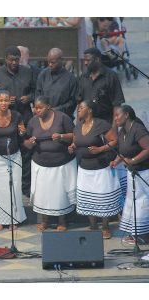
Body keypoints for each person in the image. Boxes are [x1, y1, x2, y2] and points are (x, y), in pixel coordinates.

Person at [69, 100, 122, 239]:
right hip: (84, 168)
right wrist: (72, 147)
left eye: (81, 108)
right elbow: (76, 141)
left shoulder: (101, 124)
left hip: (100, 168)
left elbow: (114, 140)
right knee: (88, 198)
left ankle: (105, 226)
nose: (78, 110)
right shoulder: (78, 125)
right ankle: (93, 225)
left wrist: (100, 149)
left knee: (101, 198)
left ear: (90, 110)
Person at [24, 96, 76, 231]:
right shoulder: (33, 121)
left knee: (60, 194)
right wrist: (31, 142)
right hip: (40, 163)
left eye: (40, 108)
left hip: (61, 163)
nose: (37, 110)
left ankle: (62, 221)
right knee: (43, 195)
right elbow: (26, 143)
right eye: (35, 108)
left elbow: (75, 135)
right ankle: (45, 221)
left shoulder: (63, 118)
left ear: (48, 106)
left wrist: (61, 136)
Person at [0, 45, 34, 197]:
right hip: (4, 121)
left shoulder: (28, 72)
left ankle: (25, 188)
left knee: (26, 153)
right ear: (5, 59)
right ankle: (5, 189)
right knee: (5, 153)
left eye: (17, 59)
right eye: (11, 60)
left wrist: (29, 98)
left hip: (24, 117)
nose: (14, 62)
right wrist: (4, 101)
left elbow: (37, 92)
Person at [0, 90, 27, 231]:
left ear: (10, 102)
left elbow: (22, 134)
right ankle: (1, 220)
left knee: (15, 187)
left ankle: (14, 219)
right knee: (0, 188)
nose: (3, 103)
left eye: (6, 100)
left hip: (14, 155)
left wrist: (22, 132)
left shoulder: (17, 116)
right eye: (1, 100)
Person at [111, 105, 149, 245]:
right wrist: (116, 161)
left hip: (144, 172)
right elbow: (124, 152)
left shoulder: (138, 129)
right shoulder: (123, 131)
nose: (115, 119)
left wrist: (133, 161)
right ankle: (135, 234)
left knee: (142, 204)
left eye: (117, 115)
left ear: (126, 115)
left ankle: (144, 236)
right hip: (131, 172)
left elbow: (148, 149)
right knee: (133, 202)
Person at [78, 47, 125, 123]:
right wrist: (78, 126)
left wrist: (114, 129)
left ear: (97, 59)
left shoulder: (111, 76)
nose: (85, 63)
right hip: (86, 123)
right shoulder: (83, 77)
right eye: (84, 60)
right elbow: (79, 103)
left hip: (105, 122)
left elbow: (117, 104)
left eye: (88, 60)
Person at [35, 48, 78, 119]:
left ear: (62, 60)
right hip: (44, 116)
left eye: (53, 62)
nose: (50, 65)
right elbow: (38, 95)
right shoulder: (43, 75)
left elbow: (72, 102)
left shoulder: (71, 78)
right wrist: (42, 108)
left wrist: (56, 110)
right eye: (48, 62)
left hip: (62, 118)